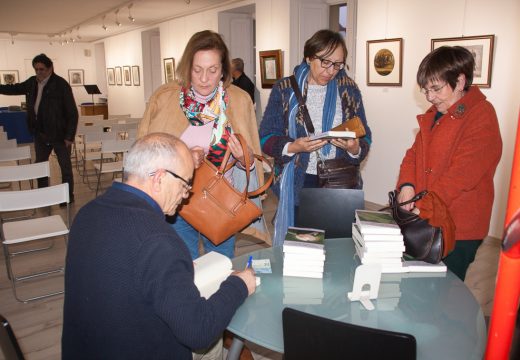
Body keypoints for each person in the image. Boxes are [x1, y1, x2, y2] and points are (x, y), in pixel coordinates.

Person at [62, 133, 256, 359]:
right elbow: (198, 331)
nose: (185, 196)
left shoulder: (87, 214)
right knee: (211, 343)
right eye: (185, 184)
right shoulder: (159, 240)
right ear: (159, 178)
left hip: (89, 348)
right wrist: (239, 284)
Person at [138, 30, 266, 259]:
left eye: (213, 70)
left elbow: (252, 161)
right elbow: (143, 157)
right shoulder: (164, 100)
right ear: (187, 68)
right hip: (175, 204)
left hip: (222, 204)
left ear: (224, 70)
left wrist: (241, 159)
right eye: (197, 70)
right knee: (181, 270)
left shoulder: (238, 101)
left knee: (219, 269)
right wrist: (183, 157)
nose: (204, 78)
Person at [396, 46, 502, 281]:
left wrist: (421, 207)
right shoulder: (436, 113)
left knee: (447, 292)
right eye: (426, 90)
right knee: (421, 286)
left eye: (436, 88)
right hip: (425, 218)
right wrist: (407, 185)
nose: (430, 97)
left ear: (460, 80)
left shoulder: (481, 115)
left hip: (458, 225)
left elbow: (461, 176)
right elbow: (413, 155)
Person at [259, 29, 372, 245]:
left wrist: (354, 148)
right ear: (309, 57)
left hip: (340, 179)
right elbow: (266, 136)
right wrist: (293, 147)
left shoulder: (348, 89)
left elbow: (364, 135)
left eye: (338, 64)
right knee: (302, 246)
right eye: (325, 62)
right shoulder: (285, 89)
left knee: (339, 246)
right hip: (300, 181)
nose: (331, 71)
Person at [0, 53, 78, 203]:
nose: (39, 72)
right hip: (40, 133)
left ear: (50, 68)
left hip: (60, 135)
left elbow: (72, 113)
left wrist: (69, 136)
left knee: (66, 168)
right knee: (40, 166)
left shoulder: (61, 84)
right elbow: (14, 88)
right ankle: (43, 195)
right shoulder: (32, 82)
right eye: (36, 69)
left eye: (42, 69)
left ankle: (67, 196)